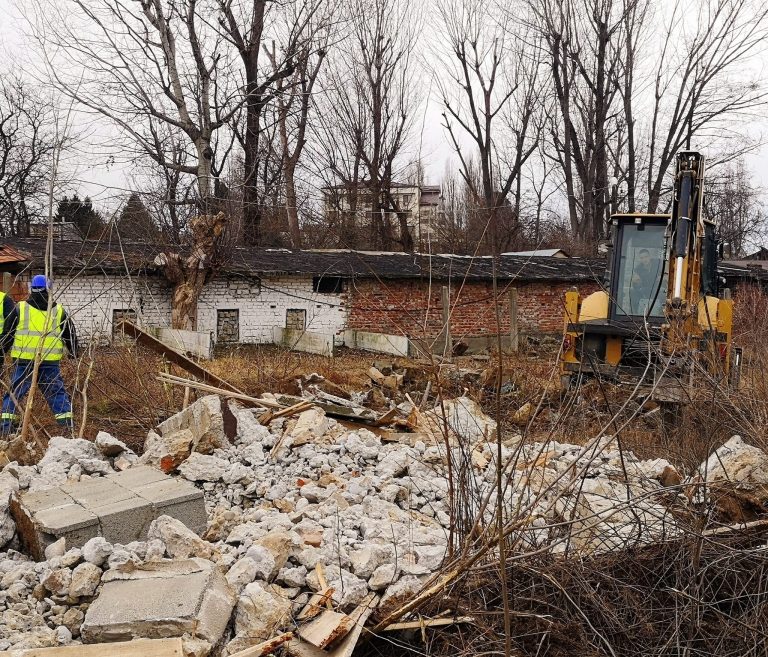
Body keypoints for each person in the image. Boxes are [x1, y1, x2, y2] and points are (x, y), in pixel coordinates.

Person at [0, 275, 78, 435]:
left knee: (15, 394)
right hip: (50, 362)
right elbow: (70, 335)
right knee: (57, 394)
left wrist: (2, 352)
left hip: (24, 361)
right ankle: (67, 430)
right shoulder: (59, 311)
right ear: (49, 289)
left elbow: (8, 334)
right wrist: (74, 354)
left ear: (31, 288)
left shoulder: (20, 309)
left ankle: (5, 429)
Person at [630, 248, 660, 314]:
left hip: (658, 288)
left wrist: (662, 277)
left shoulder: (658, 264)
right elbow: (636, 285)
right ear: (640, 259)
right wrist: (635, 282)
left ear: (650, 256)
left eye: (646, 257)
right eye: (642, 258)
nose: (644, 259)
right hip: (645, 289)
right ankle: (635, 314)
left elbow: (666, 272)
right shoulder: (638, 269)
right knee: (633, 291)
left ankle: (662, 312)